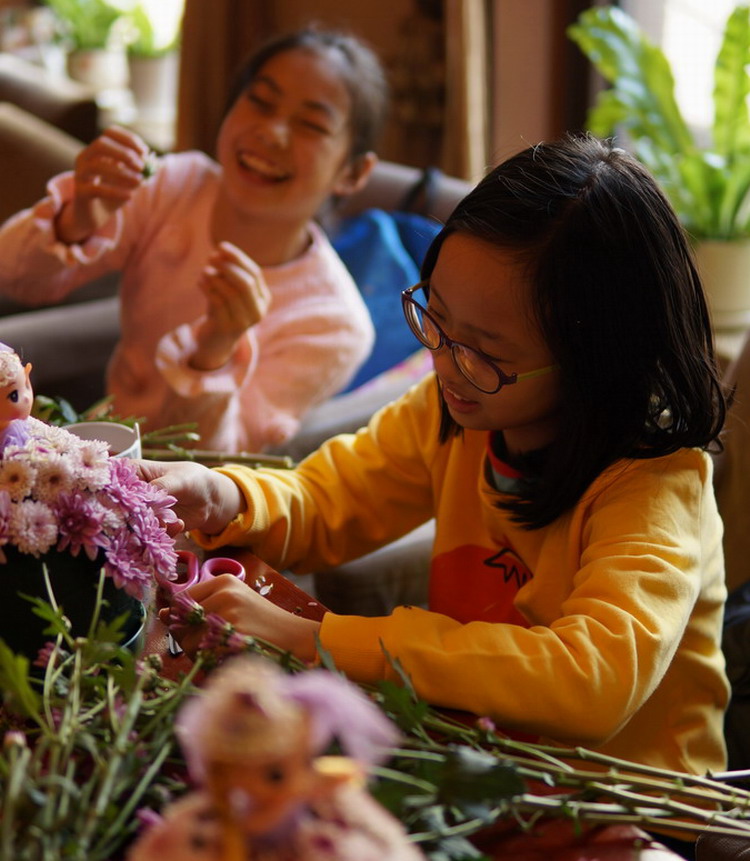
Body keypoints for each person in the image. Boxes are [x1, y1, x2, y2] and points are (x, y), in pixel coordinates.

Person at [140, 135, 729, 808]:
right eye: (437, 320)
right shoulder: (453, 409)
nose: (445, 363)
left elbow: (588, 681)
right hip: (477, 765)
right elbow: (327, 497)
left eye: (483, 351)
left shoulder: (654, 486)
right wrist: (225, 493)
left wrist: (316, 637)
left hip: (631, 812)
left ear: (596, 358)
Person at [0, 27, 387, 453]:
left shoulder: (334, 325)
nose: (272, 132)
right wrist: (77, 218)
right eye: (259, 101)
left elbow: (215, 463)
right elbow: (14, 277)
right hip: (93, 449)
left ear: (353, 173)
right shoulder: (174, 185)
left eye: (311, 125)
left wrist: (214, 352)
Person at [126, 655, 423, 861]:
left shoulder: (304, 791)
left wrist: (329, 781)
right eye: (275, 775)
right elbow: (258, 826)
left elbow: (325, 781)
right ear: (230, 773)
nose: (296, 780)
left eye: (305, 760)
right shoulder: (244, 817)